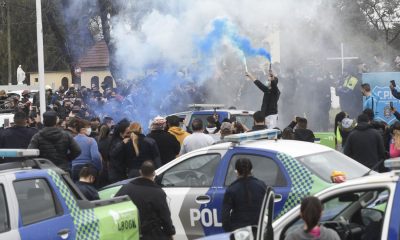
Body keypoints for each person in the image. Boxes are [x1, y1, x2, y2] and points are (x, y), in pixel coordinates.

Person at [115, 161, 175, 240]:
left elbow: (116, 206)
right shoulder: (158, 193)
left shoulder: (126, 188)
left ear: (140, 172)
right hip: (151, 235)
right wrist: (170, 232)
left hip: (130, 233)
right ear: (154, 173)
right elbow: (165, 217)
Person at [222, 158, 267, 232]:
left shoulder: (232, 189)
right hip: (258, 230)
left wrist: (230, 232)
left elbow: (225, 217)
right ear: (251, 170)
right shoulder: (262, 186)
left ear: (236, 172)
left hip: (239, 232)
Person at [108, 119, 131, 183]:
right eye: (128, 133)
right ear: (121, 133)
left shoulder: (128, 141)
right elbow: (112, 153)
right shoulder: (116, 141)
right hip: (116, 175)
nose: (130, 135)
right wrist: (122, 143)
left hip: (123, 174)